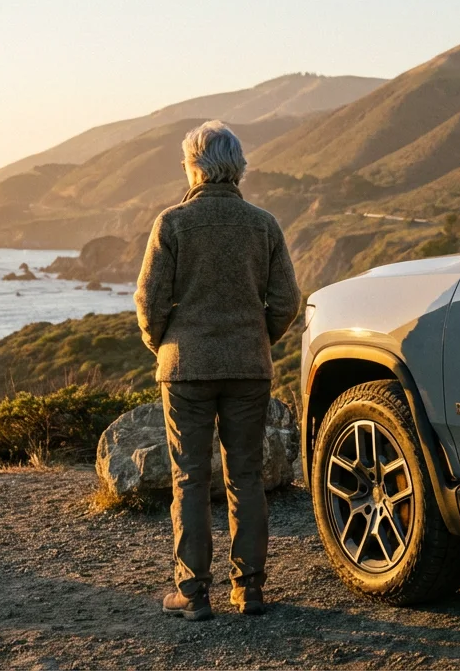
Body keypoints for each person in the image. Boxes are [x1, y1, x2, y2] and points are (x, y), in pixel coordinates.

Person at [134, 120, 300, 620]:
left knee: (189, 479)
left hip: (186, 368)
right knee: (245, 477)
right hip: (249, 366)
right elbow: (287, 300)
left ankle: (193, 593)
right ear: (237, 167)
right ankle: (248, 590)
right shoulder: (263, 224)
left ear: (194, 166)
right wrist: (258, 339)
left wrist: (162, 345)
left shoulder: (173, 223)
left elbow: (149, 302)